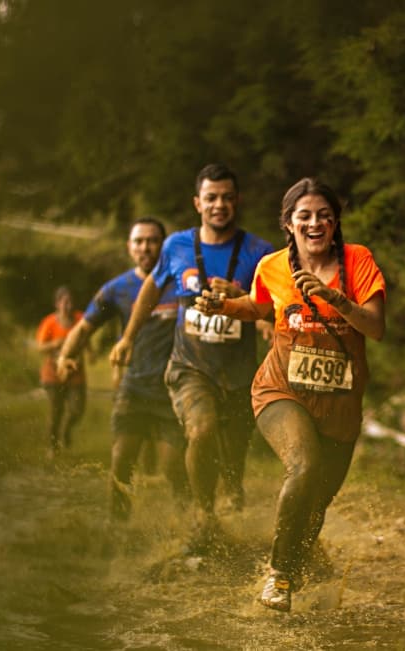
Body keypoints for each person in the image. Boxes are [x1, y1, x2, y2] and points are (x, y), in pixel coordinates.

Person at [194, 177, 386, 612]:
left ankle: (294, 571)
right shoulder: (273, 266)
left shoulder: (357, 262)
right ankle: (278, 577)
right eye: (304, 216)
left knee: (316, 502)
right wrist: (222, 306)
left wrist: (340, 301)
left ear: (335, 223)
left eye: (324, 215)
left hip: (340, 403)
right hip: (281, 389)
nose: (315, 223)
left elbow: (375, 327)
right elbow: (258, 306)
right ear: (289, 223)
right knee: (304, 466)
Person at [110, 164, 274, 549]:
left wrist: (241, 301)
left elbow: (273, 308)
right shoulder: (177, 246)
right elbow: (151, 289)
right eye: (211, 198)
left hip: (238, 374)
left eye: (227, 198)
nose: (219, 205)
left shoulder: (260, 253)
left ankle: (231, 501)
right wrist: (128, 338)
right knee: (201, 430)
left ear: (237, 201)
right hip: (190, 367)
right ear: (197, 203)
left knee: (233, 466)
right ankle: (204, 516)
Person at [56, 217, 187, 520]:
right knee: (121, 460)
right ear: (129, 247)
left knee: (173, 466)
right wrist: (64, 356)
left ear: (163, 245)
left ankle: (190, 527)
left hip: (174, 388)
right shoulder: (117, 289)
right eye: (138, 241)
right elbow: (84, 327)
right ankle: (118, 527)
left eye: (152, 240)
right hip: (134, 387)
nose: (145, 247)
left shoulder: (181, 283)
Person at [35, 285, 86, 458]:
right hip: (53, 374)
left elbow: (87, 336)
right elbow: (40, 347)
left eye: (71, 301)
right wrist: (56, 343)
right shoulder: (49, 322)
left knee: (77, 410)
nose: (68, 305)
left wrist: (91, 351)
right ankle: (53, 446)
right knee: (55, 411)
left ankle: (66, 431)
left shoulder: (80, 318)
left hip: (75, 373)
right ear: (57, 304)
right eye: (65, 302)